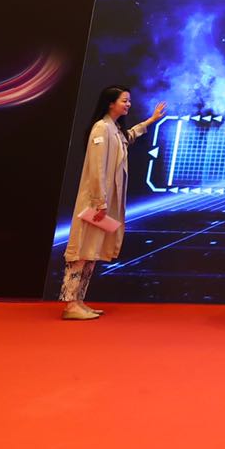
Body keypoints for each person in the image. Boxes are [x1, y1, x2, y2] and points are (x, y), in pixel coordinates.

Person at [60, 86, 165, 320]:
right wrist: (100, 200)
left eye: (129, 101)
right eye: (124, 100)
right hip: (93, 204)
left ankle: (79, 301)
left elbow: (128, 137)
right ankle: (70, 304)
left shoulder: (114, 129)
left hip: (102, 204)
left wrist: (151, 120)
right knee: (81, 252)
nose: (128, 104)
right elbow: (97, 168)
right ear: (110, 103)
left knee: (91, 252)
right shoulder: (101, 128)